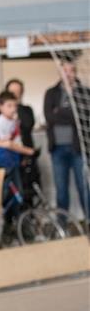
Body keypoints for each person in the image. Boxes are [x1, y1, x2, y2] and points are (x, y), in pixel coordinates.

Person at [43, 55, 90, 218]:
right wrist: (69, 114)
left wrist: (63, 108)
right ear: (60, 71)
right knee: (61, 189)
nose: (68, 74)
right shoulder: (51, 92)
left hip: (78, 148)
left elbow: (83, 115)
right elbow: (49, 116)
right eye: (65, 70)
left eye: (72, 70)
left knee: (84, 187)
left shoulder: (84, 92)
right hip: (57, 149)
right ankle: (62, 226)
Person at [0, 91, 36, 223]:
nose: (13, 109)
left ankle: (16, 222)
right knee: (6, 193)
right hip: (4, 160)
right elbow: (8, 144)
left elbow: (17, 140)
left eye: (15, 106)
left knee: (18, 193)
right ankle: (3, 221)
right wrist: (27, 151)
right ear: (0, 107)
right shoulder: (1, 122)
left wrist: (22, 154)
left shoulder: (14, 121)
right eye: (9, 106)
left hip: (14, 160)